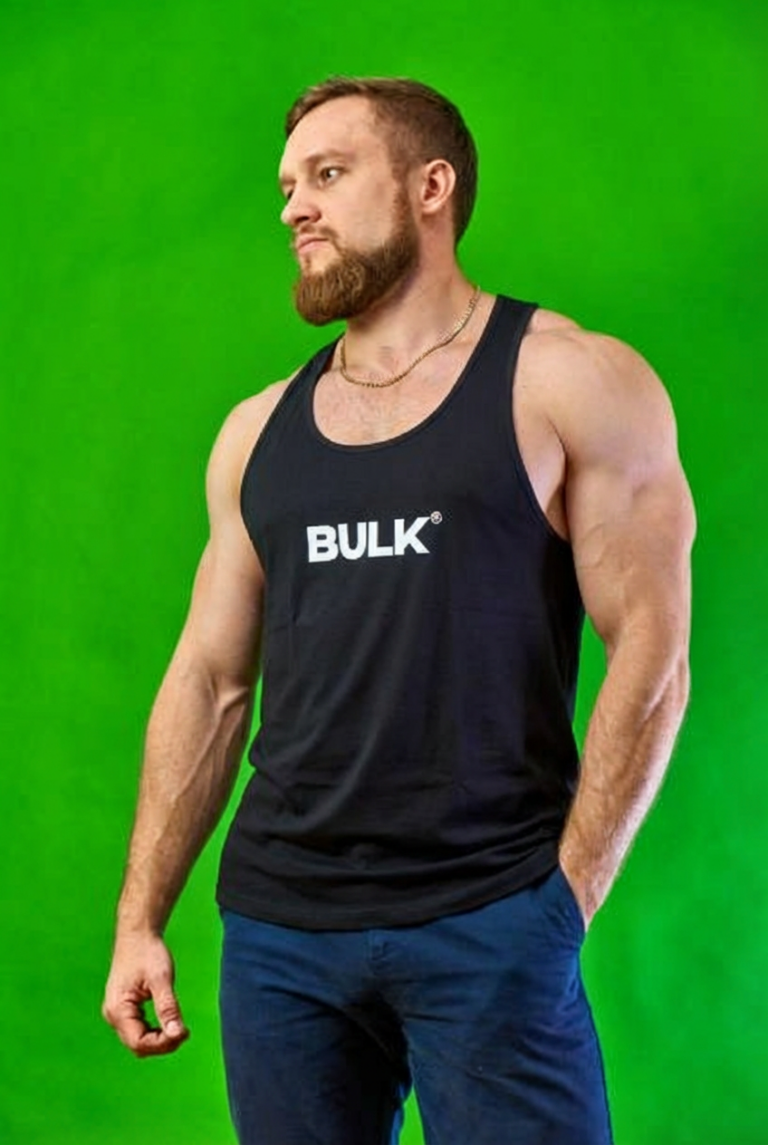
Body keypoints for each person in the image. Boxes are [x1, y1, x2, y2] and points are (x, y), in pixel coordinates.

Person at [102, 77, 696, 1145]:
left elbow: (652, 653)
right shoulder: (256, 433)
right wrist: (139, 917)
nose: (294, 207)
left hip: (490, 916)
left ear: (432, 187)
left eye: (327, 175)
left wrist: (565, 900)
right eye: (288, 186)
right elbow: (210, 680)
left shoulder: (567, 381)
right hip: (281, 937)